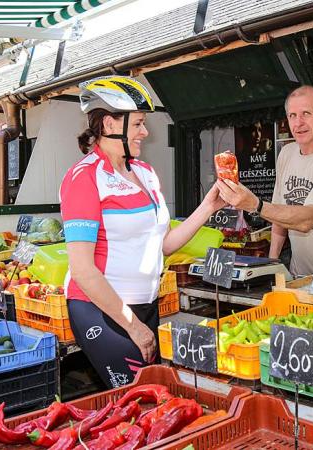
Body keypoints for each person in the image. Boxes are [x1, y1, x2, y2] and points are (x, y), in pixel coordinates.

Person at [60, 76, 225, 388]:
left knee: (149, 403)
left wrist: (208, 207)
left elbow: (161, 245)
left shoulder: (145, 173)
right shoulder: (84, 178)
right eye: (137, 124)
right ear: (109, 123)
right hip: (102, 310)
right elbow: (82, 269)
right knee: (138, 401)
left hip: (145, 305)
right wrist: (133, 326)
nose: (145, 132)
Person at [217, 85, 313, 277]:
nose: (298, 123)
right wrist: (272, 264)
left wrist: (255, 204)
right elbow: (280, 213)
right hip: (301, 276)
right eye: (292, 115)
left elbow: (308, 219)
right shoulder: (287, 153)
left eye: (306, 113)